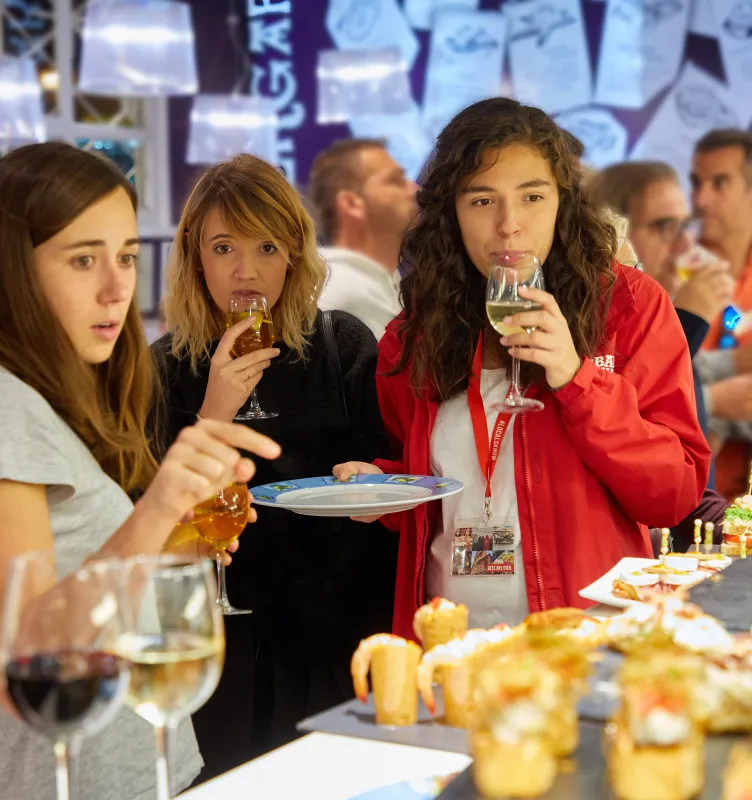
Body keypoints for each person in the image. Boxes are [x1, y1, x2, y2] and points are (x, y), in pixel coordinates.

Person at [0, 143, 280, 800]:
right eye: (83, 260)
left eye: (126, 257)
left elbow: (88, 582)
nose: (116, 288)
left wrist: (181, 535)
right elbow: (27, 660)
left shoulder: (33, 395)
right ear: (9, 269)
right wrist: (158, 507)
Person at [335, 98, 711, 637]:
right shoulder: (413, 334)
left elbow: (673, 494)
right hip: (452, 640)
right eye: (482, 200)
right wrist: (384, 489)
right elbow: (436, 485)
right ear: (451, 213)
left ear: (562, 202)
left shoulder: (629, 308)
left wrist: (578, 379)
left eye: (532, 197)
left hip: (584, 638)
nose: (509, 225)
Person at [152, 154, 396, 778]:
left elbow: (390, 463)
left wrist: (372, 477)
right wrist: (214, 411)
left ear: (293, 253)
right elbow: (150, 518)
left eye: (266, 246)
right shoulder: (163, 369)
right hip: (221, 644)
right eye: (224, 248)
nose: (246, 270)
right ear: (195, 257)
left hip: (335, 633)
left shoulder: (340, 344)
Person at [584, 160, 735, 485]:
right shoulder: (591, 315)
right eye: (664, 227)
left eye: (685, 226)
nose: (685, 245)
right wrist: (689, 321)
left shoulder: (666, 304)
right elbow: (626, 419)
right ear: (613, 230)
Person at [689, 129, 752, 499]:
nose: (700, 199)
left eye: (720, 183)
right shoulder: (671, 274)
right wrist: (713, 400)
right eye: (696, 183)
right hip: (684, 511)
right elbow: (642, 384)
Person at [310, 138, 418, 340]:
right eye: (395, 181)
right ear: (351, 203)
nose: (414, 190)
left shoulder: (382, 284)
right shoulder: (332, 290)